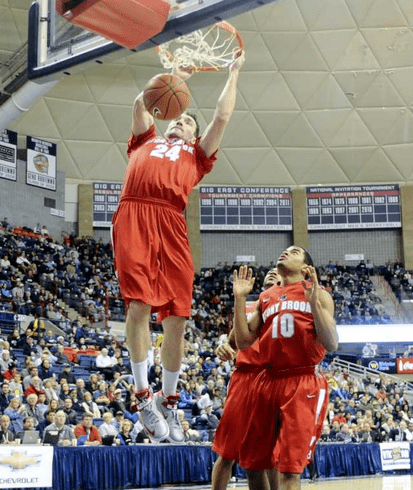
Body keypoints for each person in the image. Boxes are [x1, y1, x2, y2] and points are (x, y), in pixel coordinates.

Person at [111, 52, 245, 444]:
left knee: (178, 319)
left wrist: (232, 73)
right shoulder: (145, 140)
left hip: (171, 221)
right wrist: (169, 77)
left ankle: (169, 399)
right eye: (177, 116)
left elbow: (221, 118)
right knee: (138, 306)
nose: (180, 121)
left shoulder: (197, 155)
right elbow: (141, 104)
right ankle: (143, 397)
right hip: (134, 214)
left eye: (187, 121)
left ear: (192, 135)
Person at [233, 246, 338, 490]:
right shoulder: (266, 296)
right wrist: (239, 299)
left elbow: (331, 343)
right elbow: (243, 341)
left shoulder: (319, 294)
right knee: (252, 464)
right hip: (268, 380)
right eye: (285, 250)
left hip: (302, 380)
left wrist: (314, 305)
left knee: (289, 470)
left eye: (294, 251)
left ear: (305, 267)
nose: (285, 252)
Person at [211, 269, 281, 490]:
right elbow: (231, 341)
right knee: (227, 453)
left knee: (265, 458)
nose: (272, 273)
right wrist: (222, 346)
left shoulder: (291, 308)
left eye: (277, 272)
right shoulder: (251, 306)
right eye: (270, 271)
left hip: (273, 379)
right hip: (245, 377)